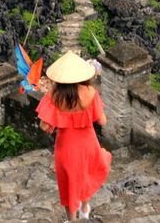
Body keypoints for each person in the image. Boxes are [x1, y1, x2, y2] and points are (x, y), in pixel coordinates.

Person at [37, 51, 111, 221]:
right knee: (84, 174)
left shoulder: (53, 96)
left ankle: (72, 220)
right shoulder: (91, 93)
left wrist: (56, 121)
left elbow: (44, 125)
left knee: (68, 182)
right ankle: (84, 208)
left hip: (66, 146)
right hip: (87, 143)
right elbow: (102, 122)